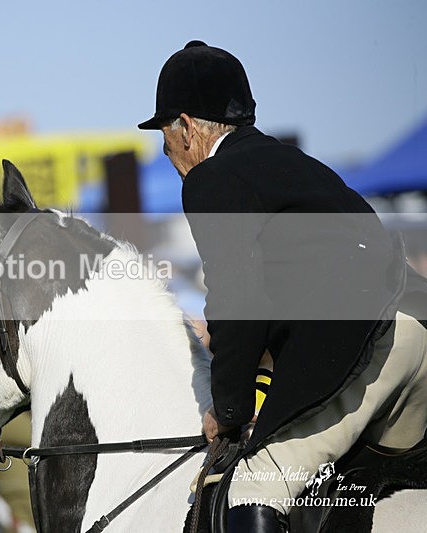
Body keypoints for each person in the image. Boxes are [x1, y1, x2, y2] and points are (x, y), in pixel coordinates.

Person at [139, 40, 427, 531]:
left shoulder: (211, 178)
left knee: (253, 488)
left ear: (186, 128)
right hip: (417, 330)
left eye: (166, 142)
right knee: (342, 495)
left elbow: (237, 296)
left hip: (367, 345)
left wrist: (228, 409)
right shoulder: (296, 164)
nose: (169, 155)